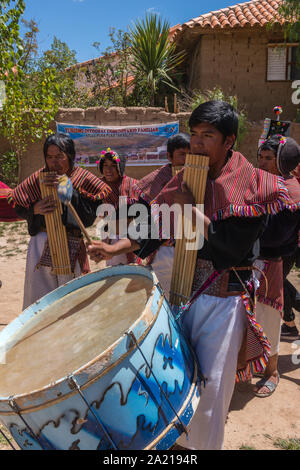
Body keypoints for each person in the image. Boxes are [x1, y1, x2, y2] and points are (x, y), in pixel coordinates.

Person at [87, 101, 298, 450]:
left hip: (222, 302)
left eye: (208, 136)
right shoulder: (184, 178)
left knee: (211, 390)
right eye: (195, 135)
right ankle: (174, 447)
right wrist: (112, 248)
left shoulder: (253, 187)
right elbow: (154, 225)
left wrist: (189, 209)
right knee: (171, 380)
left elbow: (228, 250)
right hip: (179, 295)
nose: (197, 145)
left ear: (228, 141)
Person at [7, 133, 114, 309]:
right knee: (39, 301)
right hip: (40, 246)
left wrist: (69, 190)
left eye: (59, 156)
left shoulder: (82, 178)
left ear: (70, 156)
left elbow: (88, 217)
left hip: (71, 245)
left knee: (71, 302)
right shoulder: (38, 178)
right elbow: (18, 204)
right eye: (49, 157)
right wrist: (34, 209)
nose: (54, 162)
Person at [254, 135, 300, 397]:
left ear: (284, 161)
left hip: (271, 263)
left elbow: (274, 236)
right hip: (250, 261)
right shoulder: (263, 182)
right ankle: (250, 362)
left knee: (269, 317)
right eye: (260, 156)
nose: (261, 162)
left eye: (268, 158)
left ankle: (272, 370)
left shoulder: (291, 191)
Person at [96, 147, 139, 266]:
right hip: (109, 237)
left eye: (113, 165)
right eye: (105, 165)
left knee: (131, 274)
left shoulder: (132, 185)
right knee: (113, 273)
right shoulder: (98, 186)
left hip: (130, 238)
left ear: (121, 167)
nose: (108, 170)